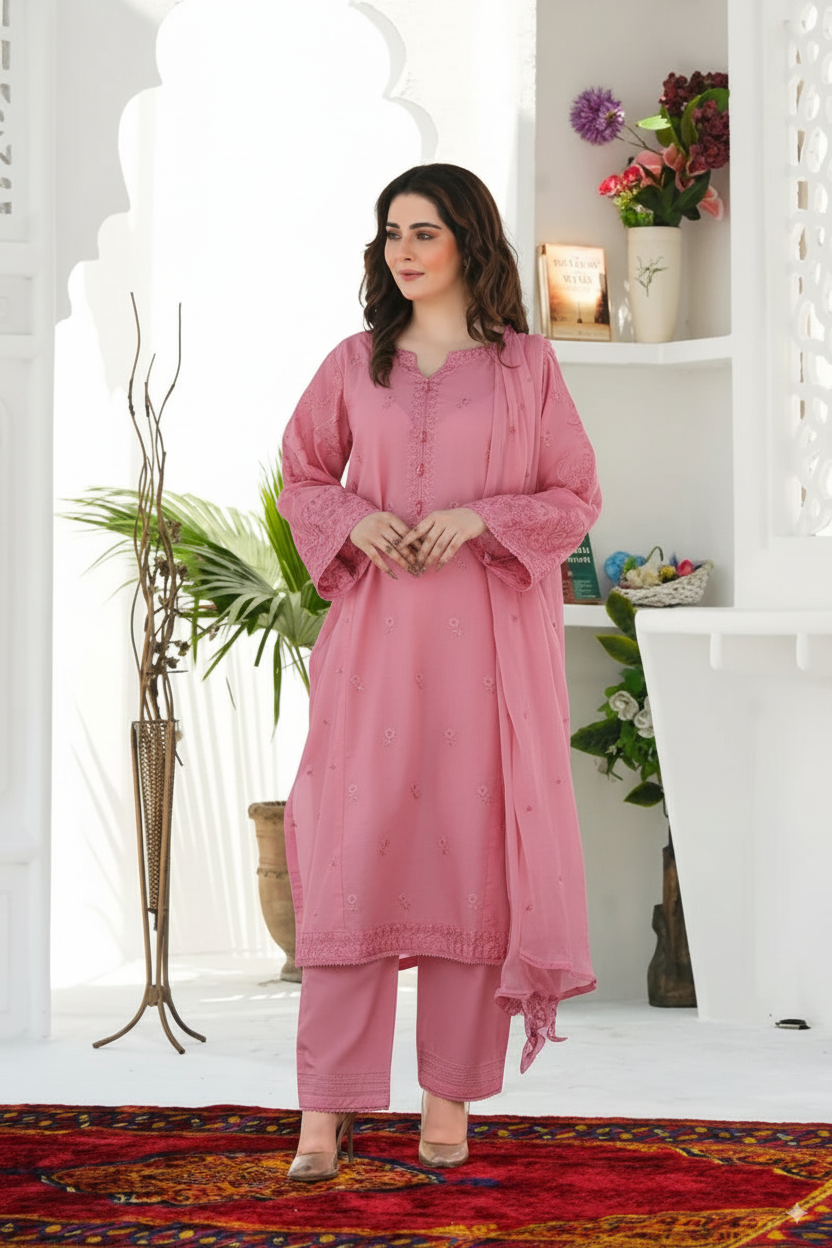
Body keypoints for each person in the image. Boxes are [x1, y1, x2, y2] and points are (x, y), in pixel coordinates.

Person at [276, 163, 602, 1183]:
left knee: (468, 858)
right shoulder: (349, 366)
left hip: (482, 654)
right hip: (375, 650)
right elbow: (299, 473)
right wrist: (350, 516)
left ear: (468, 240)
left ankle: (448, 1100)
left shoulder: (526, 370)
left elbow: (575, 493)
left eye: (423, 232)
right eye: (390, 235)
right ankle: (324, 1114)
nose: (403, 252)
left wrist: (484, 517)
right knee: (351, 864)